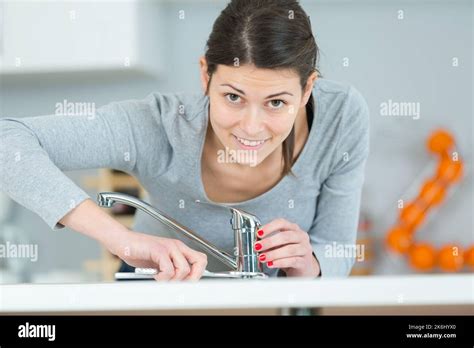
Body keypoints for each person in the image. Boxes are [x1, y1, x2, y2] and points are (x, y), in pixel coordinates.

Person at [0, 0, 369, 281]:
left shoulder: (341, 116)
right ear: (205, 75)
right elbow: (7, 140)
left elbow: (336, 246)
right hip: (157, 296)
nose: (252, 127)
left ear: (308, 89)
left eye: (276, 103)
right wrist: (120, 240)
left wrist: (312, 264)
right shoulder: (157, 126)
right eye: (233, 97)